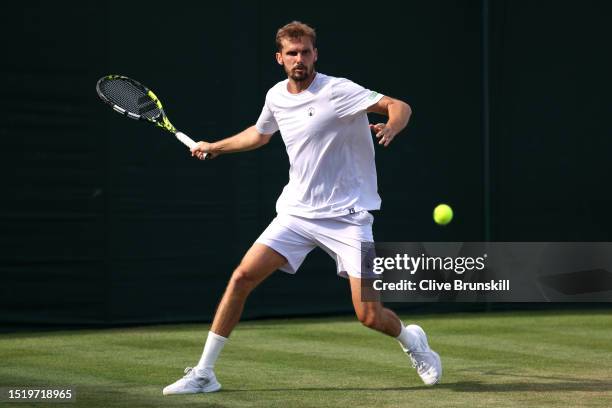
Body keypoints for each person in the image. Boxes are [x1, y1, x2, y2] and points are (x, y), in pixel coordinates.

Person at [163, 21, 441, 395]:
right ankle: (204, 373)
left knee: (369, 316)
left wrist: (392, 126)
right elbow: (259, 134)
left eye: (306, 52)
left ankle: (412, 341)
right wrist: (215, 146)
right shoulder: (276, 96)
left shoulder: (339, 90)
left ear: (315, 54)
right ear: (280, 58)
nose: (299, 59)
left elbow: (398, 105)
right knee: (242, 277)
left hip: (347, 218)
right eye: (292, 53)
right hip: (296, 214)